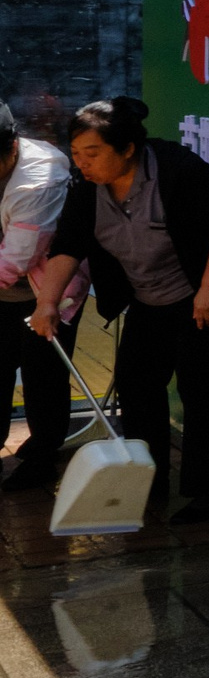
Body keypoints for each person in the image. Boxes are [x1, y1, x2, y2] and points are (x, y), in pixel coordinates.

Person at [33, 98, 209, 525]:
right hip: (148, 296)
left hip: (204, 291)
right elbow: (69, 246)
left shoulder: (177, 172)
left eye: (92, 154)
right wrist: (47, 302)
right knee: (136, 384)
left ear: (127, 147)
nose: (83, 165)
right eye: (76, 155)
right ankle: (146, 478)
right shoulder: (87, 189)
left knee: (201, 389)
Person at [0, 107, 76, 490]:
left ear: (12, 148)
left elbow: (12, 264)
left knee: (43, 375)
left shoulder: (39, 180)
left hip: (45, 288)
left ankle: (44, 457)